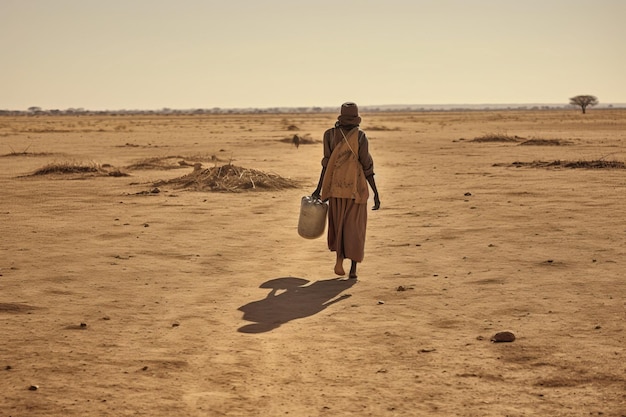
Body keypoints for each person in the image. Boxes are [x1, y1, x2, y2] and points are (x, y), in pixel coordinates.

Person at [312, 102, 380, 279]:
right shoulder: (360, 137)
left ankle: (339, 259)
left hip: (336, 189)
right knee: (355, 229)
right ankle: (353, 270)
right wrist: (376, 193)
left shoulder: (329, 135)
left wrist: (319, 188)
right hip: (355, 190)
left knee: (339, 225)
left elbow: (326, 165)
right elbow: (367, 167)